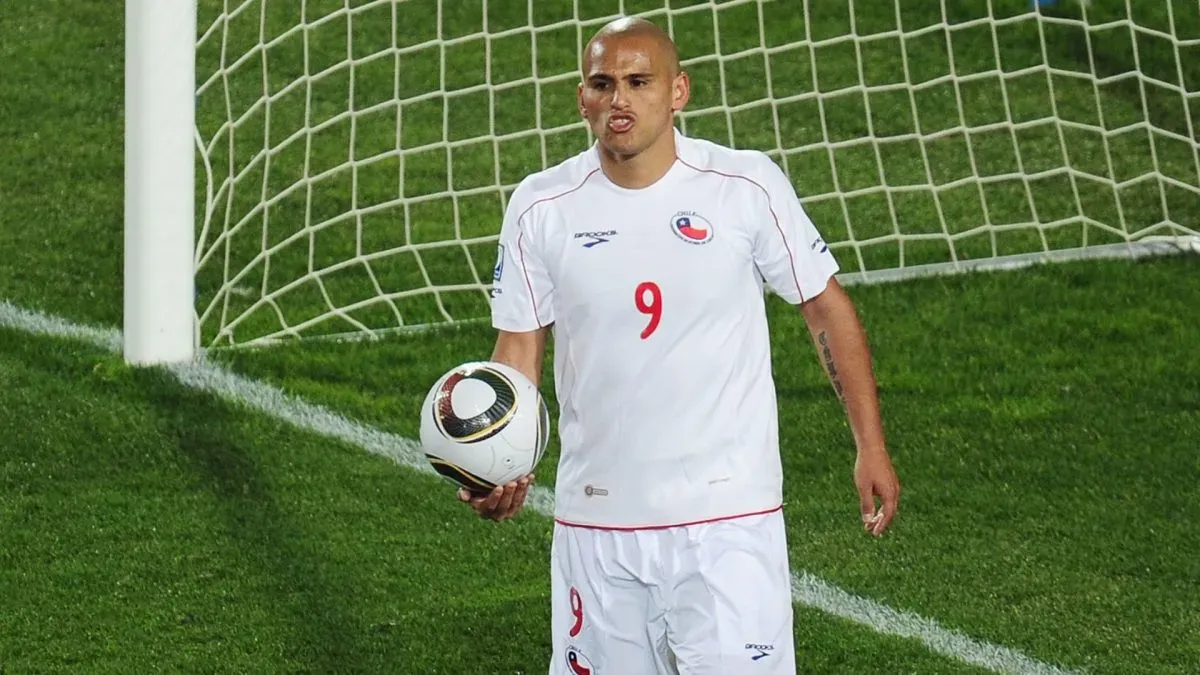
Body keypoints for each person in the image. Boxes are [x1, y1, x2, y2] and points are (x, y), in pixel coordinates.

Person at [458, 16, 900, 675]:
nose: (620, 100)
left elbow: (825, 308)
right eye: (603, 83)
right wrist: (498, 464)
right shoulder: (540, 206)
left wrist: (870, 443)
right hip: (597, 523)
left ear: (678, 92)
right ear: (582, 96)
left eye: (639, 82)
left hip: (727, 523)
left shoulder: (744, 187)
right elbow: (518, 350)